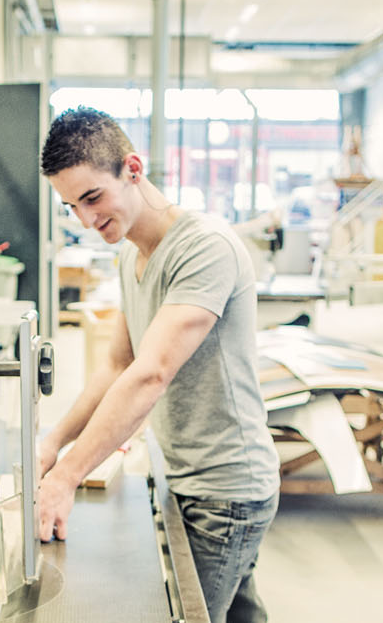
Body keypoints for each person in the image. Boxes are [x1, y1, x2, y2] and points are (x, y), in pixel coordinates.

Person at [35, 107, 280, 623]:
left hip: (225, 490)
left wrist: (68, 477)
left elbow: (150, 374)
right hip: (189, 477)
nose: (85, 219)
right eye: (71, 206)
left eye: (93, 197)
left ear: (133, 167)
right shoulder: (130, 252)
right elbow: (117, 365)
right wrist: (53, 442)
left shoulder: (202, 248)